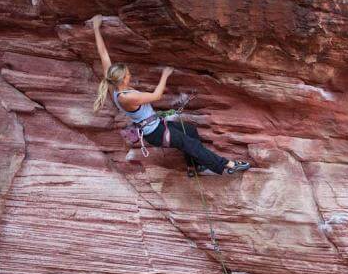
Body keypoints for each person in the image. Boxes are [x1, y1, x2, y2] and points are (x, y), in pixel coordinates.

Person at [90, 15, 250, 176]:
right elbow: (156, 96)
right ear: (123, 78)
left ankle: (194, 166)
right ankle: (227, 165)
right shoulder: (127, 98)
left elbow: (103, 54)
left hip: (157, 125)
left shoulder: (113, 86)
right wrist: (165, 75)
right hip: (155, 132)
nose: (130, 75)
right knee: (191, 145)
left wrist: (96, 28)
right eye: (128, 74)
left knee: (190, 131)